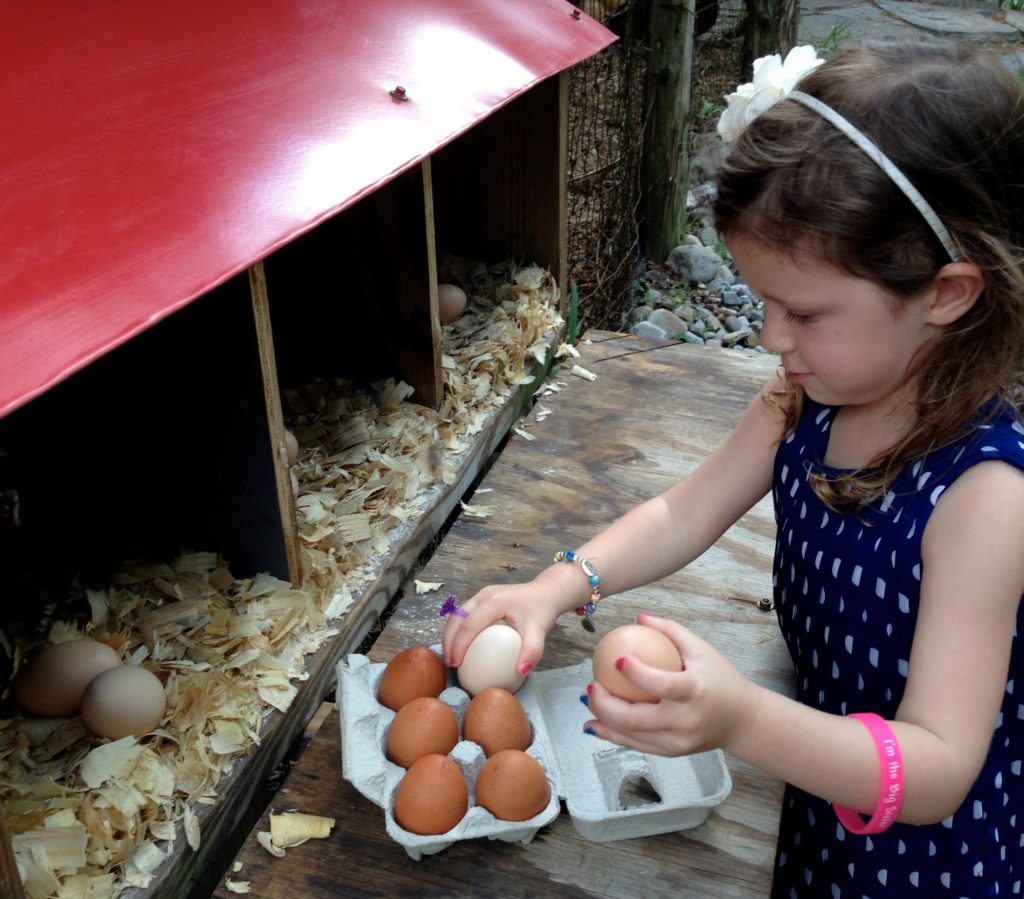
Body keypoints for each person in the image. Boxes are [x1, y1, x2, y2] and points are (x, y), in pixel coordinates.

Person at [443, 38, 1024, 897]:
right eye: (761, 302)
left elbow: (936, 768)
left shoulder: (986, 499)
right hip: (815, 757)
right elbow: (684, 513)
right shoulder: (808, 396)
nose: (769, 337)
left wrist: (742, 717)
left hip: (917, 850)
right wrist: (555, 588)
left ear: (947, 294)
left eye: (803, 310)